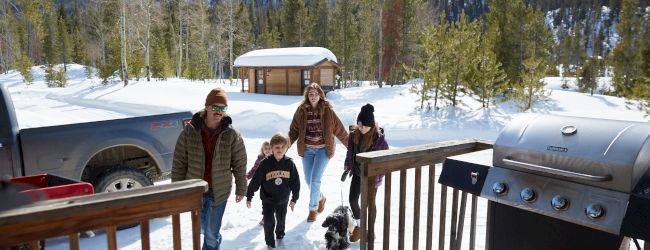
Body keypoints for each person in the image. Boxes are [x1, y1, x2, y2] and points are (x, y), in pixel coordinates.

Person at [171, 87, 247, 250]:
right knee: (201, 229)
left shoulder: (232, 134)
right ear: (206, 107)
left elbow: (240, 163)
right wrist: (176, 189)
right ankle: (215, 238)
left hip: (219, 189)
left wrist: (241, 187)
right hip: (196, 189)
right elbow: (179, 162)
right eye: (215, 107)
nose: (219, 111)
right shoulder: (190, 131)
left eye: (223, 108)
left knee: (211, 234)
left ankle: (213, 242)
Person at [289, 82, 348, 222]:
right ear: (307, 96)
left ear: (320, 95)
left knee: (315, 180)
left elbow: (340, 130)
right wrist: (284, 146)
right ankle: (321, 197)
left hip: (323, 149)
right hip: (307, 149)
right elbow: (294, 131)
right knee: (309, 181)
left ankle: (312, 210)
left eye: (316, 94)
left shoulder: (328, 110)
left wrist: (351, 147)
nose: (313, 96)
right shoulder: (301, 110)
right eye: (310, 94)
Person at [246, 133, 300, 249]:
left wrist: (294, 198)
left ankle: (280, 234)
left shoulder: (289, 163)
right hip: (268, 200)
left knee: (281, 220)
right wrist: (249, 195)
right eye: (276, 147)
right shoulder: (265, 163)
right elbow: (256, 181)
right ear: (272, 148)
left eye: (282, 147)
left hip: (283, 199)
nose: (279, 150)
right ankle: (270, 242)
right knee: (269, 222)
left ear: (286, 148)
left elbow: (295, 182)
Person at [343, 104, 389, 242]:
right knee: (352, 200)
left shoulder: (379, 139)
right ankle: (361, 227)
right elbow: (349, 151)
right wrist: (347, 164)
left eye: (365, 126)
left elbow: (385, 160)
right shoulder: (354, 135)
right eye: (360, 125)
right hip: (357, 173)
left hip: (371, 177)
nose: (361, 128)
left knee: (369, 204)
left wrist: (378, 176)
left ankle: (371, 230)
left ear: (372, 125)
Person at [247, 140, 272, 225]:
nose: (267, 150)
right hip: (263, 184)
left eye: (269, 148)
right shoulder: (260, 159)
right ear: (262, 150)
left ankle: (270, 215)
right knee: (265, 200)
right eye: (265, 149)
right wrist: (248, 176)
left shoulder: (274, 158)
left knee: (272, 201)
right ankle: (265, 216)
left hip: (273, 183)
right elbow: (254, 169)